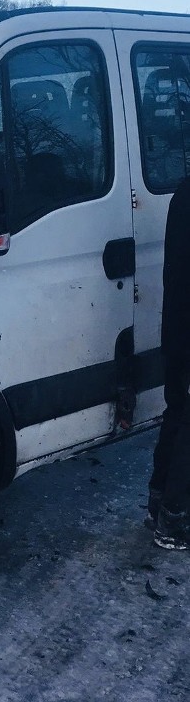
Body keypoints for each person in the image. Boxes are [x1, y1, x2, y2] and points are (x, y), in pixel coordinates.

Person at [149, 175, 190, 549]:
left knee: (177, 414)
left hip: (177, 332)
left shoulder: (184, 192)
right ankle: (174, 518)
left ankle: (158, 502)